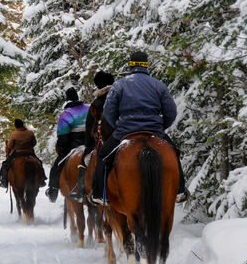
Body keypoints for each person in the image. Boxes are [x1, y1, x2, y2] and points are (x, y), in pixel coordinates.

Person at [92, 51, 189, 205]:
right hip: (154, 131)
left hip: (125, 131)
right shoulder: (158, 85)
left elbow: (108, 113)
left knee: (103, 155)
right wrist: (160, 127)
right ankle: (179, 191)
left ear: (130, 65)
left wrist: (119, 126)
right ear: (146, 65)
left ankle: (100, 194)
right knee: (174, 153)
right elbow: (171, 112)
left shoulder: (119, 85)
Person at [68, 71, 115, 202]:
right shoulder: (120, 98)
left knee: (83, 162)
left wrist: (88, 144)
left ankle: (81, 190)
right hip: (121, 137)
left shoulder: (97, 103)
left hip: (103, 141)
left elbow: (90, 127)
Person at [45, 87, 90, 199]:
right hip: (90, 141)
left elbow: (63, 136)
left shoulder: (66, 114)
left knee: (58, 164)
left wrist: (61, 150)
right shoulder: (89, 108)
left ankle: (53, 189)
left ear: (67, 99)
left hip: (74, 143)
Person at [0, 119, 46, 188]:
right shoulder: (30, 132)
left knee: (5, 164)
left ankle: (4, 181)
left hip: (17, 153)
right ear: (23, 124)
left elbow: (10, 145)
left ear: (16, 126)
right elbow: (34, 143)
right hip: (30, 153)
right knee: (39, 163)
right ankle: (42, 180)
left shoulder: (14, 134)